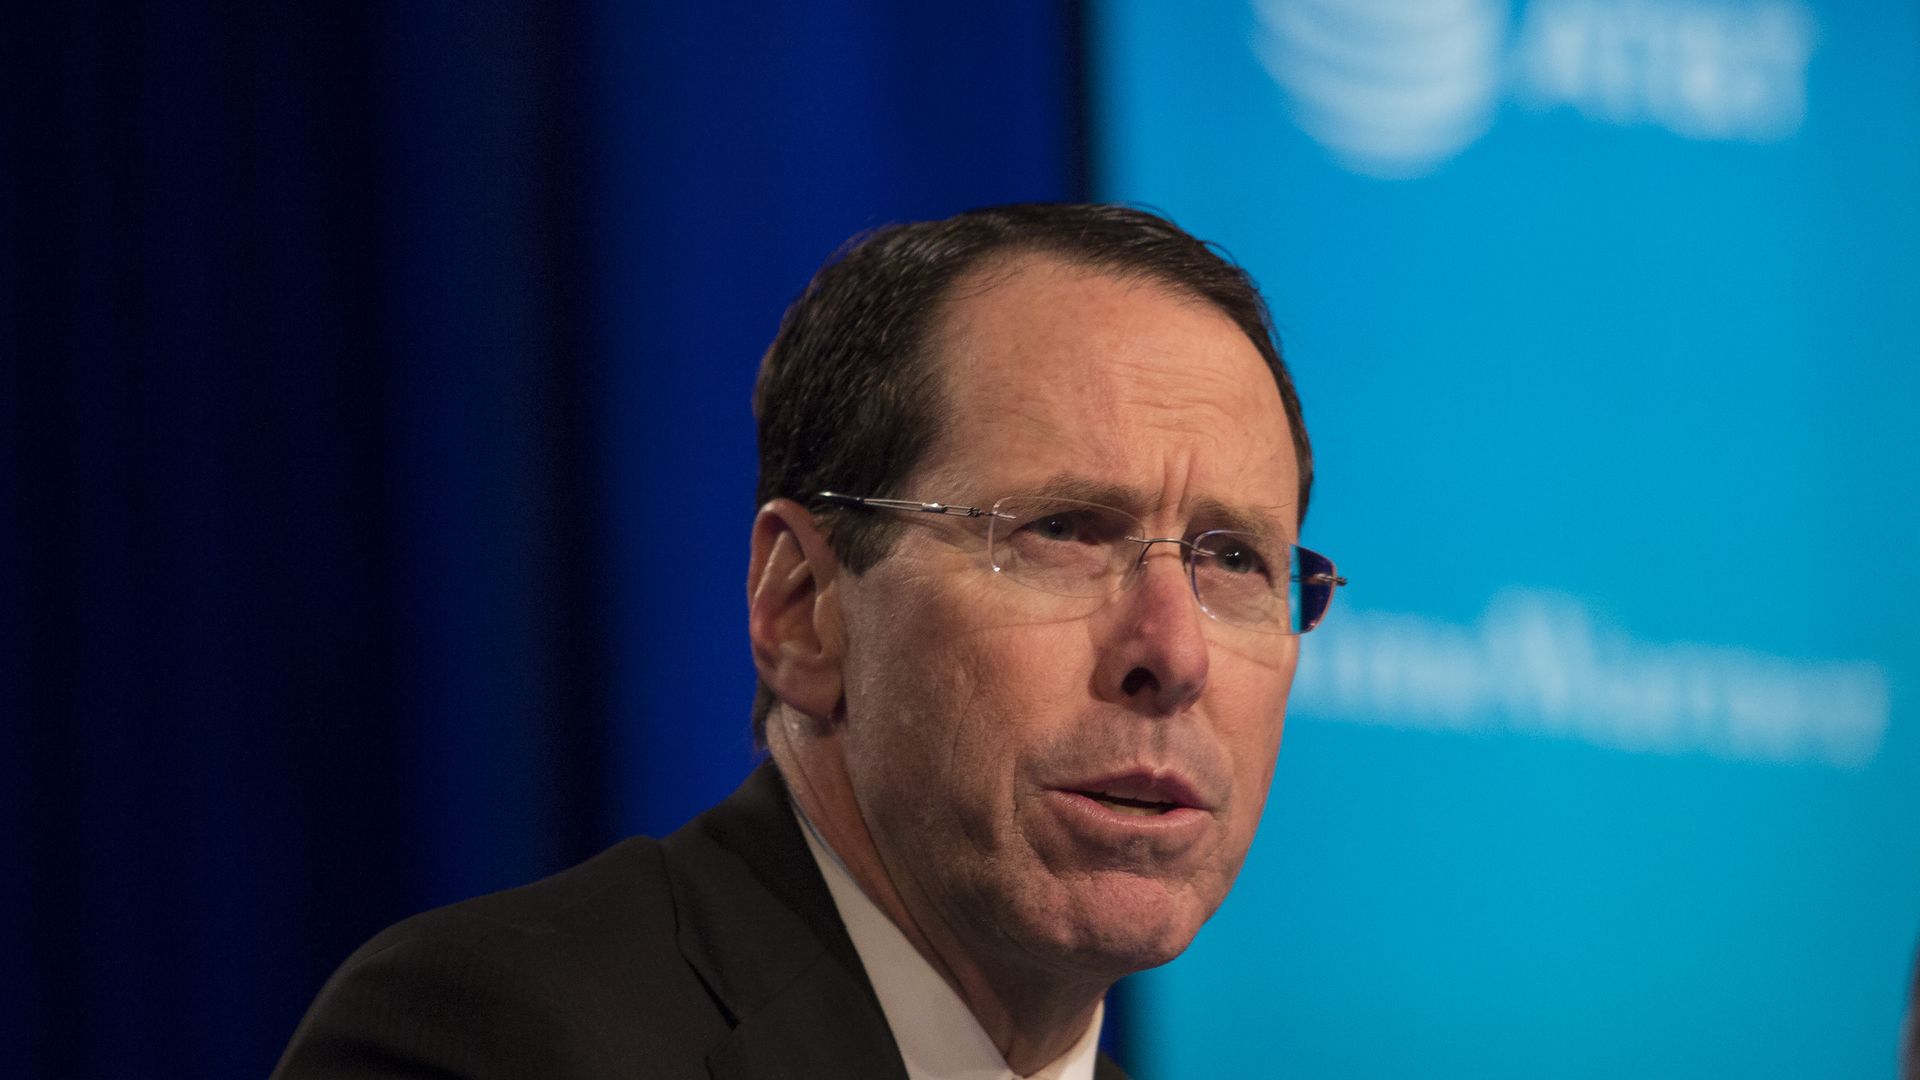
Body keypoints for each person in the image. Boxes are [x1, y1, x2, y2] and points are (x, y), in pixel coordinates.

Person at [272, 203, 1344, 1079]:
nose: (1176, 653)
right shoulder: (496, 1043)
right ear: (803, 612)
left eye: (1235, 562)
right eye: (1061, 531)